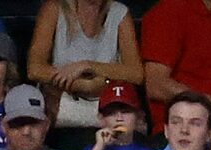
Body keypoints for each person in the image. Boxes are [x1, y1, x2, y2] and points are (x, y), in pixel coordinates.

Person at [29, 0, 143, 137]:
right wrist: (83, 85)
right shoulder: (54, 9)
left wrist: (87, 66)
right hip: (63, 104)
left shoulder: (119, 13)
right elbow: (34, 69)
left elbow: (136, 74)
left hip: (107, 104)